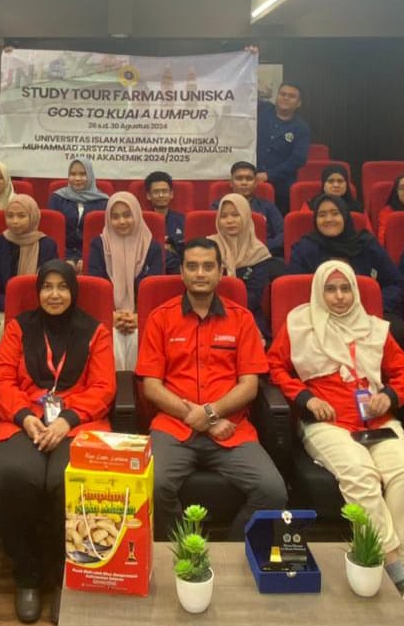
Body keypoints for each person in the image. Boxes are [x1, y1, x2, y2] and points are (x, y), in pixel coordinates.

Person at [266, 261, 404, 626]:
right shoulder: (300, 324)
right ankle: (402, 581)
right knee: (361, 475)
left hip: (377, 421)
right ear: (319, 292)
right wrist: (307, 398)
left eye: (346, 289)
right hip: (327, 422)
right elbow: (276, 368)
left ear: (356, 293)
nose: (339, 297)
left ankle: (396, 565)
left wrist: (389, 395)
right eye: (331, 290)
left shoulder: (375, 329)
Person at [0, 261, 116, 624]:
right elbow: (1, 381)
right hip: (21, 420)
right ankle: (27, 574)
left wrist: (66, 420)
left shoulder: (95, 331)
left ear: (73, 291)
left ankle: (66, 576)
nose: (54, 294)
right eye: (47, 287)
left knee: (68, 479)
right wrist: (24, 417)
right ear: (38, 291)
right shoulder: (18, 328)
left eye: (62, 287)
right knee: (10, 476)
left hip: (77, 421)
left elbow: (104, 387)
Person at [136, 238, 288, 538]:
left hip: (232, 428)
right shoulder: (160, 318)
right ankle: (185, 549)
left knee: (273, 491)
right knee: (153, 484)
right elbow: (151, 387)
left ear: (221, 272)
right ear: (181, 272)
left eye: (208, 267)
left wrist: (210, 414)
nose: (200, 273)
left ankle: (228, 552)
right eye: (192, 266)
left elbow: (249, 386)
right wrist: (198, 418)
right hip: (173, 426)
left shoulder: (242, 319)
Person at [286, 194, 404, 321]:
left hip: (365, 314)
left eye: (335, 213)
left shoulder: (367, 244)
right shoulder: (304, 248)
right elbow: (295, 290)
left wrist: (371, 305)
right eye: (322, 215)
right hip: (319, 316)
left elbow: (396, 284)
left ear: (345, 216)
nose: (328, 219)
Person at [86, 192, 164, 370]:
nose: (121, 221)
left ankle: (138, 387)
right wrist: (110, 316)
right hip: (108, 316)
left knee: (138, 339)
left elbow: (153, 292)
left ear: (136, 214)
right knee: (111, 341)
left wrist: (139, 317)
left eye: (127, 215)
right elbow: (96, 289)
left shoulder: (152, 247)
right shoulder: (99, 245)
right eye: (115, 217)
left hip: (141, 317)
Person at [0, 194, 60, 363]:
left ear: (33, 217)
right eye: (10, 216)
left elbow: (52, 284)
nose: (14, 221)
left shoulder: (47, 245)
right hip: (1, 310)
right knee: (5, 330)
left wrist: (32, 307)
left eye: (21, 216)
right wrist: (13, 306)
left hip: (40, 308)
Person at [209, 194, 282, 340]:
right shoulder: (208, 247)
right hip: (210, 312)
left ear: (246, 216)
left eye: (236, 215)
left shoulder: (258, 252)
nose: (229, 220)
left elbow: (253, 297)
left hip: (249, 313)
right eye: (224, 216)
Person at [257, 82, 311, 215]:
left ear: (299, 103)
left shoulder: (302, 128)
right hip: (252, 180)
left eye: (291, 96)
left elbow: (298, 160)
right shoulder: (262, 110)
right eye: (283, 94)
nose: (286, 98)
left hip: (282, 186)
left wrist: (268, 175)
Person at [47, 156, 109, 269]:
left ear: (90, 175)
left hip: (93, 256)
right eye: (73, 174)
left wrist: (87, 257)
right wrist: (64, 258)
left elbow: (103, 237)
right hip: (60, 256)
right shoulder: (57, 198)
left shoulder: (104, 202)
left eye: (83, 174)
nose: (77, 178)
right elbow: (52, 235)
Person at [217, 161, 284, 256]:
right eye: (239, 178)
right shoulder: (218, 206)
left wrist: (261, 248)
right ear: (231, 183)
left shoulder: (268, 206)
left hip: (263, 253)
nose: (244, 183)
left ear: (255, 183)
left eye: (249, 179)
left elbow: (283, 234)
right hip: (228, 254)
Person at [142, 170, 185, 274]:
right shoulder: (142, 221)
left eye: (165, 191)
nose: (161, 195)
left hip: (177, 270)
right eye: (156, 192)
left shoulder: (183, 220)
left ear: (171, 194)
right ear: (148, 195)